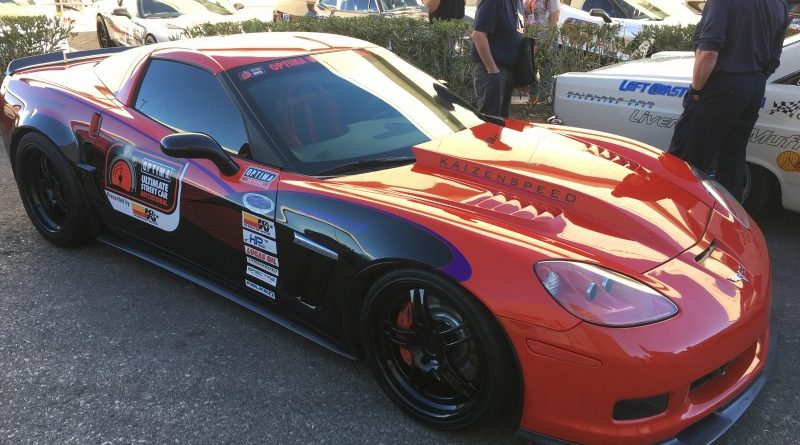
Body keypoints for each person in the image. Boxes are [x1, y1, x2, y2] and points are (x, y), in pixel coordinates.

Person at [667, 0, 789, 200]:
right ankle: (727, 222)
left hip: (720, 86)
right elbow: (774, 58)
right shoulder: (779, 5)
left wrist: (696, 91)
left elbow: (707, 52)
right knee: (732, 160)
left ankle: (680, 218)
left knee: (687, 161)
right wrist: (751, 81)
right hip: (754, 86)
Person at [471, 0, 524, 117]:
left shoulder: (517, 2)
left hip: (507, 72)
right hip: (492, 73)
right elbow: (478, 35)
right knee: (490, 123)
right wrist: (493, 70)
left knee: (502, 123)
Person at [524, 0, 560, 103]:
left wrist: (548, 43)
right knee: (531, 70)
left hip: (546, 39)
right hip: (531, 38)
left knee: (546, 71)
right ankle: (532, 100)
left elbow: (555, 18)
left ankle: (543, 101)